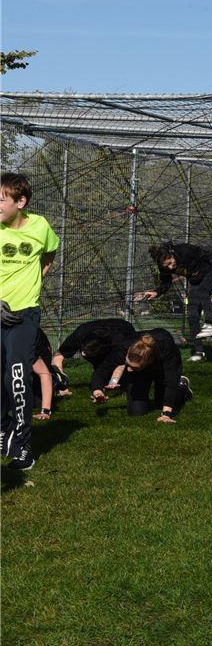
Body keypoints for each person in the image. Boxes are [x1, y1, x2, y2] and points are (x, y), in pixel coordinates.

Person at [1, 171, 60, 471]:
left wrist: (35, 278)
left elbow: (50, 252)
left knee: (17, 376)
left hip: (24, 315)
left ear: (20, 202)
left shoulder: (40, 226)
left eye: (2, 200)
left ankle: (24, 447)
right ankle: (3, 431)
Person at [138, 241, 212, 362]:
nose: (170, 267)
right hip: (196, 282)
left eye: (170, 263)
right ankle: (199, 353)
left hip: (210, 275)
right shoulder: (163, 266)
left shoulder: (184, 250)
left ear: (171, 254)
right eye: (166, 266)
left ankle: (209, 324)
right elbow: (166, 283)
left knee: (201, 293)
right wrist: (157, 292)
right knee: (192, 314)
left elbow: (208, 255)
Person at [93, 329, 192, 422]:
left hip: (162, 366)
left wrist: (166, 414)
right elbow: (101, 370)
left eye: (134, 368)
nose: (130, 370)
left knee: (162, 403)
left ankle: (182, 386)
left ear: (149, 360)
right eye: (128, 365)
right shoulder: (122, 348)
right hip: (142, 371)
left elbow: (170, 381)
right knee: (136, 411)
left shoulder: (165, 346)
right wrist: (97, 390)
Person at [52, 318, 138, 397]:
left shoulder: (118, 341)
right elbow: (57, 358)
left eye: (88, 354)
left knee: (119, 373)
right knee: (101, 374)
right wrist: (62, 387)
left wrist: (113, 381)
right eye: (82, 350)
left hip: (124, 329)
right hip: (98, 331)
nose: (83, 354)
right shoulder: (78, 335)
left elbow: (120, 362)